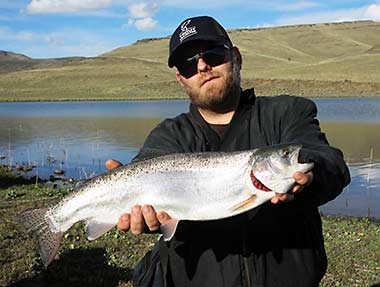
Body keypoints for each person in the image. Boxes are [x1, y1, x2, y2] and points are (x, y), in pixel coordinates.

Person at [106, 16, 350, 287]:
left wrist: (311, 174)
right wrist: (140, 214)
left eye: (213, 53)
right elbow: (146, 206)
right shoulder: (169, 136)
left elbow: (332, 164)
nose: (202, 66)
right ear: (180, 79)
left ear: (236, 57)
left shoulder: (288, 113)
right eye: (188, 63)